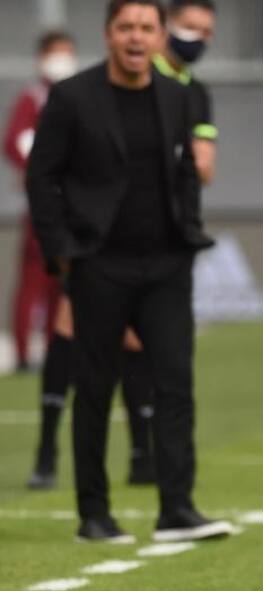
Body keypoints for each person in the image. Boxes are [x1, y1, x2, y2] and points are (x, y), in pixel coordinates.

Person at [26, 0, 234, 544]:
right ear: (108, 35)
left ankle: (177, 509)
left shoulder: (177, 95)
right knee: (95, 388)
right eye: (126, 28)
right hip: (99, 264)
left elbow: (187, 171)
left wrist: (188, 229)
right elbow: (41, 177)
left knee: (175, 383)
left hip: (166, 263)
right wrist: (62, 252)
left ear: (159, 36)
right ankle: (94, 515)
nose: (136, 37)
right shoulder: (73, 97)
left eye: (146, 28)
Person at [4, 31, 76, 376]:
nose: (63, 60)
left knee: (60, 284)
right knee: (34, 279)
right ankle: (22, 352)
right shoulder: (33, 98)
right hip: (43, 206)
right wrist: (38, 170)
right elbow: (15, 142)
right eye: (56, 53)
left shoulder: (77, 97)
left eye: (68, 53)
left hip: (73, 206)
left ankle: (54, 350)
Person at [153, 0, 218, 185]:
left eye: (206, 32)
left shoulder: (198, 93)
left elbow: (204, 169)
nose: (198, 37)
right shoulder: (139, 77)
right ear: (166, 24)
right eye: (190, 27)